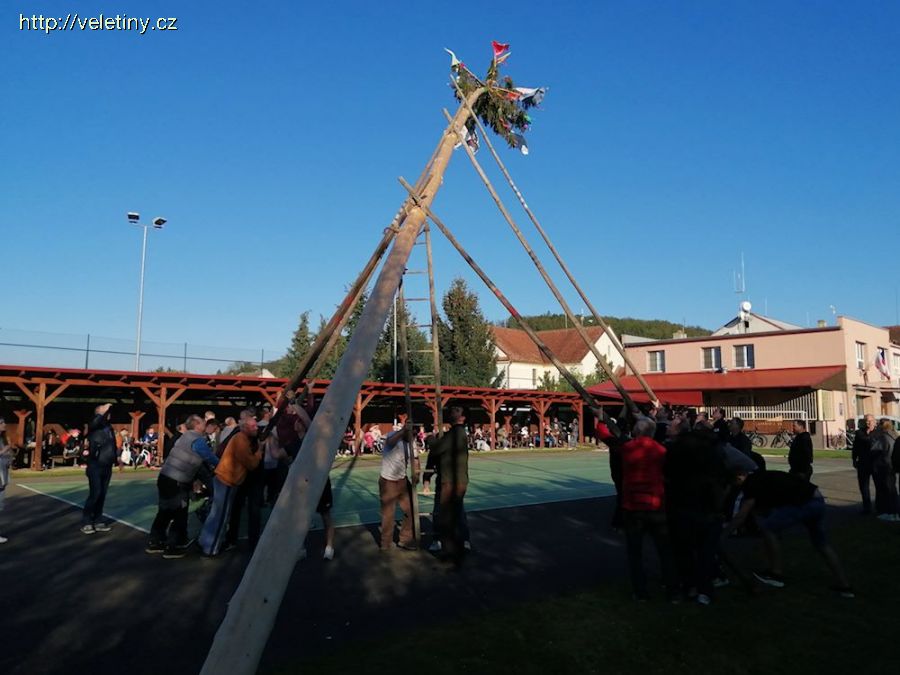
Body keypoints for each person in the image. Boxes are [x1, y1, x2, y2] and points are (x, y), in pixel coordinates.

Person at [728, 469, 854, 598]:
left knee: (768, 529)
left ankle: (775, 574)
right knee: (822, 544)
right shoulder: (764, 477)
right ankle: (844, 585)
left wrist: (725, 533)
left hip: (803, 503)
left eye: (733, 482)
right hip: (816, 499)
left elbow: (742, 515)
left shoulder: (750, 483)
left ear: (739, 477)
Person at [620, 417, 679, 601]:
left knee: (635, 551)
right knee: (664, 550)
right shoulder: (660, 450)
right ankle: (672, 590)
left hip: (633, 504)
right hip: (655, 503)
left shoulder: (628, 448)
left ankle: (640, 591)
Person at [146, 415, 218, 558]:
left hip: (165, 477)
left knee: (165, 510)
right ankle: (173, 546)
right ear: (197, 425)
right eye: (202, 422)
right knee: (179, 512)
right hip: (178, 480)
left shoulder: (184, 437)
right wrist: (222, 465)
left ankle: (155, 541)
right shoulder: (197, 440)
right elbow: (208, 457)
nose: (205, 424)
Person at [199, 410, 262, 557]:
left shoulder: (240, 438)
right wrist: (259, 451)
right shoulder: (241, 440)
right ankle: (211, 548)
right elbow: (251, 464)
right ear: (245, 427)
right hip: (227, 479)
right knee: (221, 515)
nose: (256, 428)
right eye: (253, 426)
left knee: (216, 513)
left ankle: (204, 541)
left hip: (223, 478)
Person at [428, 406, 470, 563]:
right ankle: (460, 545)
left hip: (451, 481)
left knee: (447, 516)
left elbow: (437, 449)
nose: (453, 412)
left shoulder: (456, 433)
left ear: (463, 418)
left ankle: (450, 551)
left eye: (457, 411)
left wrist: (430, 439)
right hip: (455, 479)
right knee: (456, 513)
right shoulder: (454, 433)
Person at [378, 422, 416, 551]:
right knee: (388, 514)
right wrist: (403, 431)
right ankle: (385, 543)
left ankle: (405, 539)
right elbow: (389, 443)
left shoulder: (411, 442)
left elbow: (415, 458)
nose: (413, 436)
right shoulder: (393, 436)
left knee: (411, 510)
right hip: (388, 480)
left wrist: (416, 473)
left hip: (402, 480)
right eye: (411, 433)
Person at [80, 404, 117, 534]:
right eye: (106, 413)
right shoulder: (95, 426)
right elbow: (94, 423)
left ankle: (98, 519)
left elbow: (112, 444)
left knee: (102, 494)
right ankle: (87, 521)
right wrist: (101, 412)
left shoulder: (109, 428)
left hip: (107, 464)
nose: (109, 414)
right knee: (95, 493)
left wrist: (117, 458)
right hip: (95, 464)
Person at [869, 419, 899, 521]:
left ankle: (889, 512)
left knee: (885, 490)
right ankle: (894, 512)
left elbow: (873, 449)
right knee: (892, 490)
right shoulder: (895, 435)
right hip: (892, 465)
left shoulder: (883, 437)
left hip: (884, 466)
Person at [852, 414, 877, 514]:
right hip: (863, 462)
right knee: (863, 486)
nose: (868, 423)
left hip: (876, 463)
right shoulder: (859, 433)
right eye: (866, 421)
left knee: (879, 485)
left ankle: (879, 506)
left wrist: (869, 434)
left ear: (874, 421)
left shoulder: (879, 433)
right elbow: (855, 447)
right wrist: (854, 459)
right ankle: (867, 507)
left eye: (870, 421)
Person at [0, 418, 15, 543]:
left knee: (0, 505)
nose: (4, 424)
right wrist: (3, 450)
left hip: (3, 475)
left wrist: (9, 456)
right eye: (1, 423)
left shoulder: (3, 438)